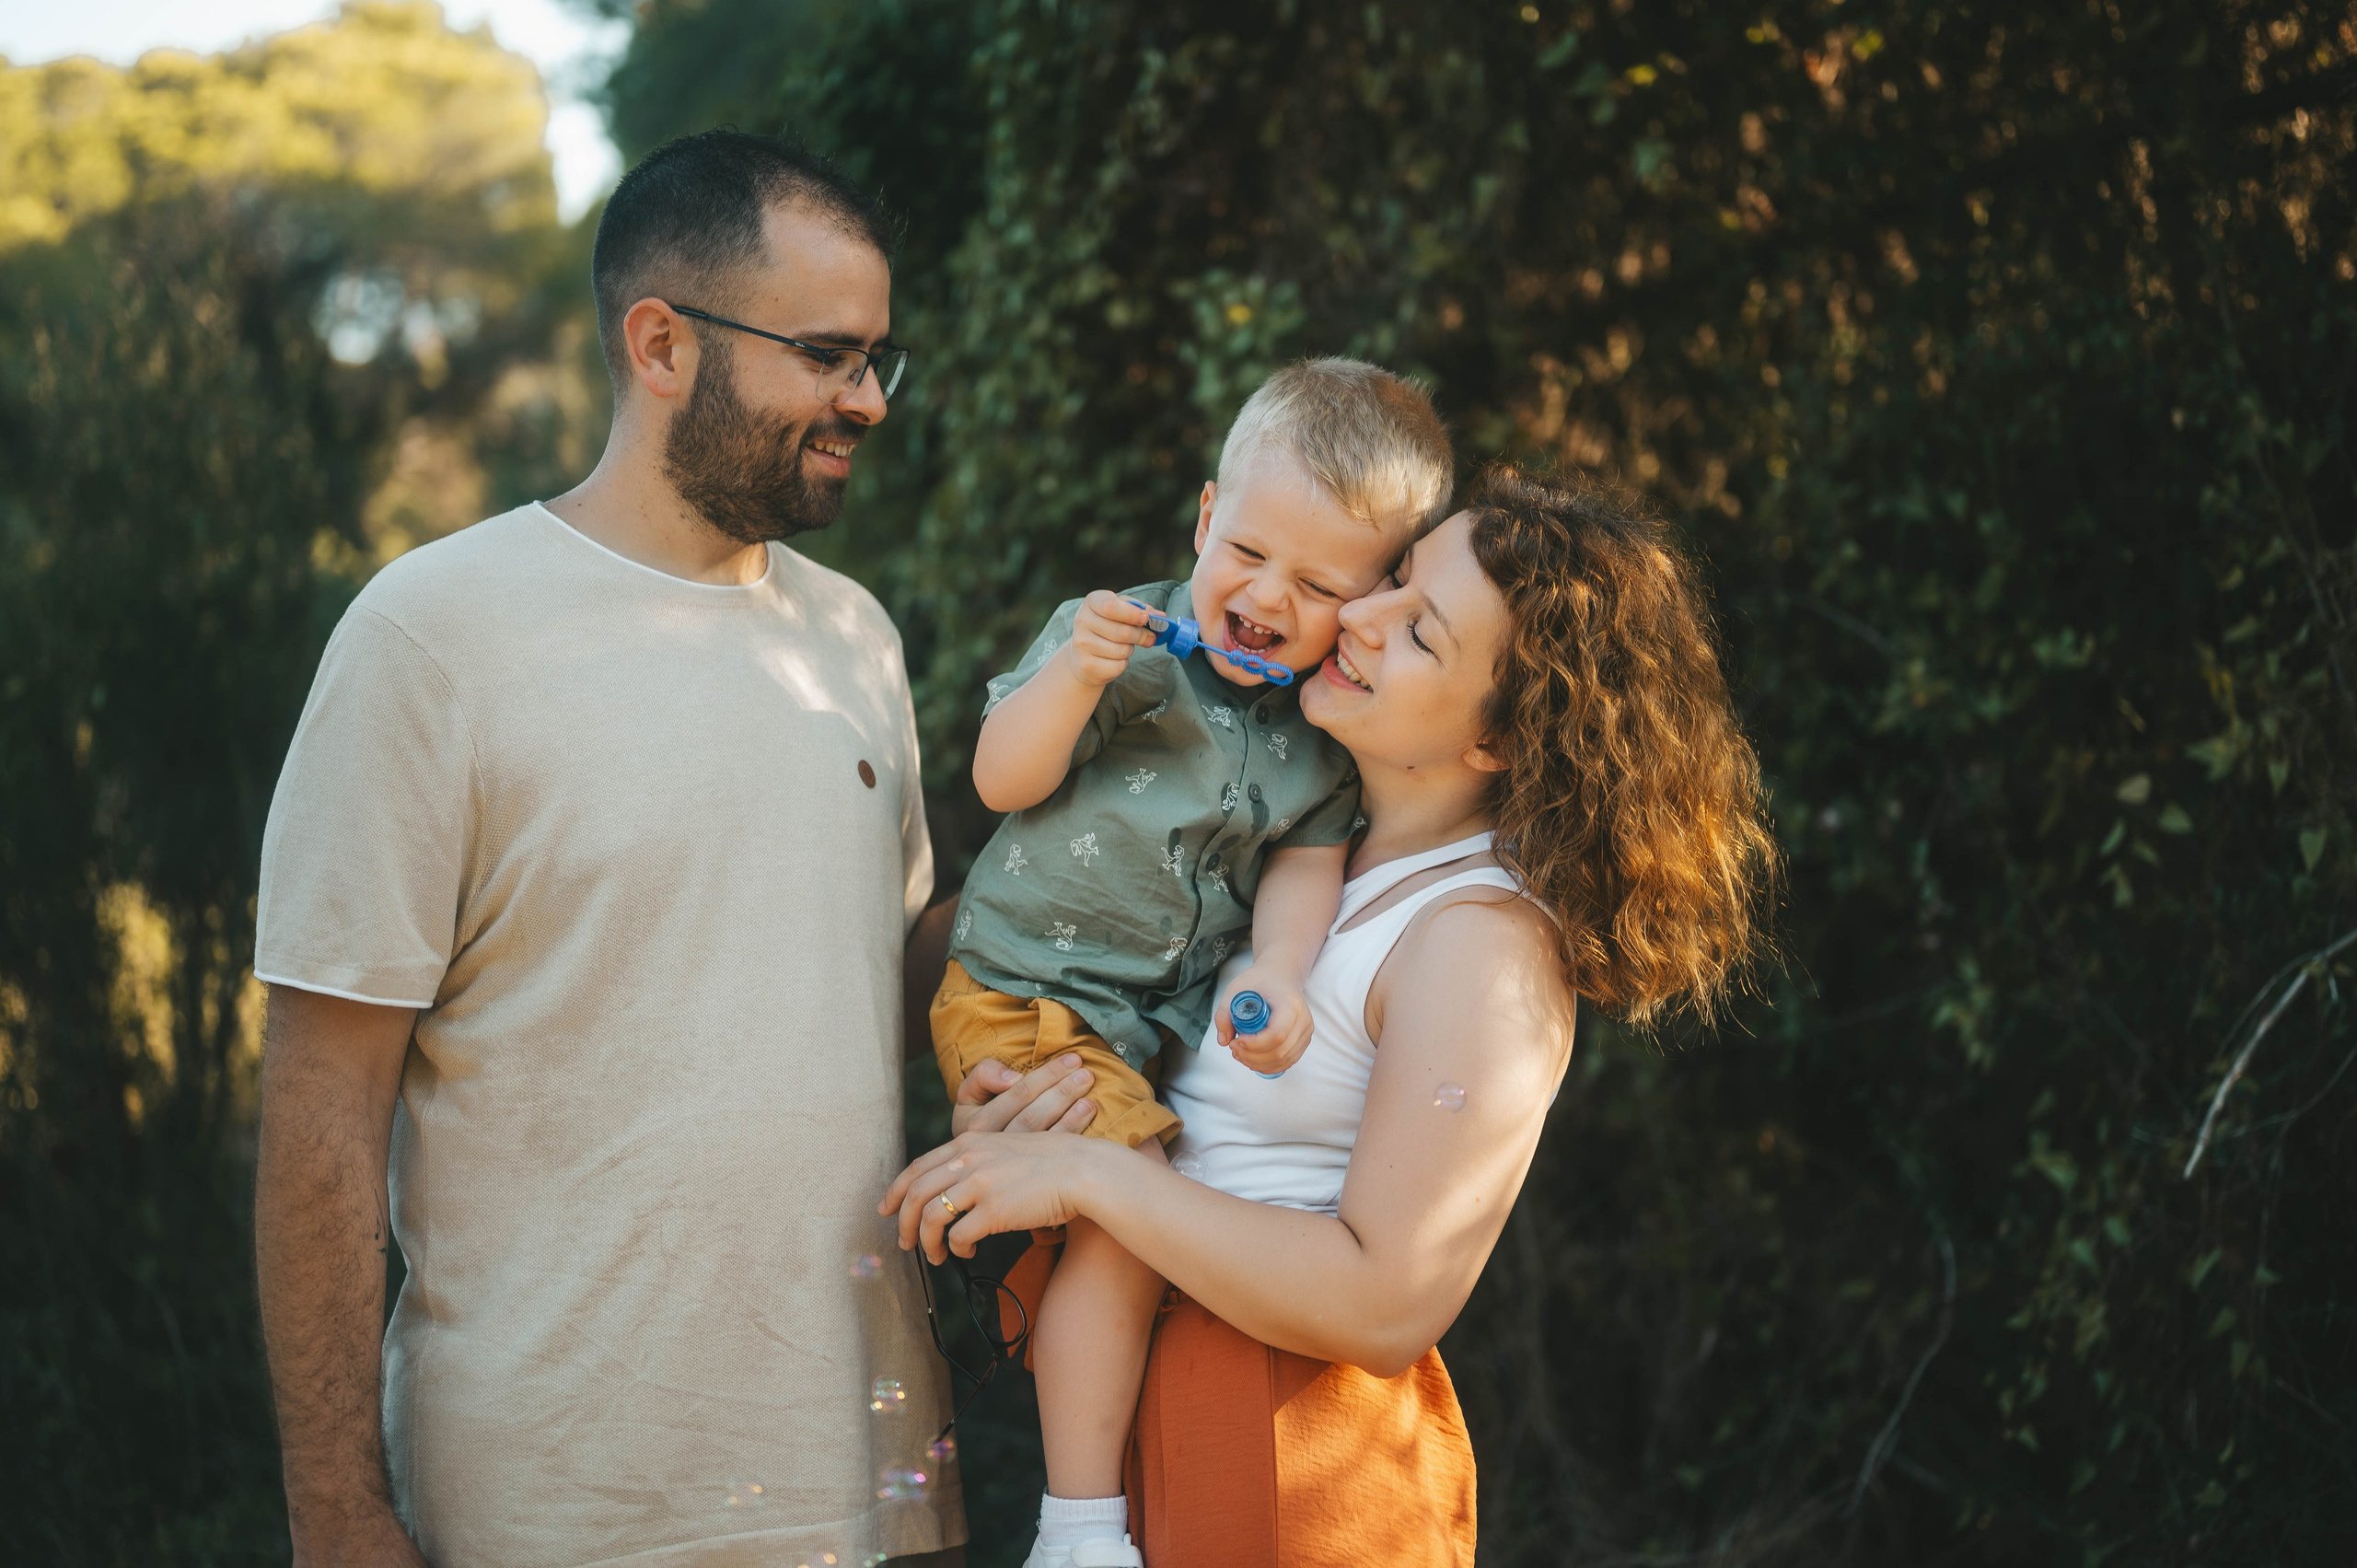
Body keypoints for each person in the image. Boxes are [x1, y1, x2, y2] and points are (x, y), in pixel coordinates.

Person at [251, 131, 971, 1566]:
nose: (869, 401)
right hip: (558, 1506)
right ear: (660, 343)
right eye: (830, 354)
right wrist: (335, 1508)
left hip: (875, 1490)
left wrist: (1092, 840)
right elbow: (322, 1111)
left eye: (881, 358)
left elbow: (869, 1006)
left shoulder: (854, 637)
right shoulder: (433, 637)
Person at [886, 466, 1779, 1566]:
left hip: (1295, 1456)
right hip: (1147, 1416)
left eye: (1419, 630)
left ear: (1498, 739)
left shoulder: (1481, 941)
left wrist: (1095, 1176)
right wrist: (1033, 1100)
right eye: (1396, 576)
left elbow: (1385, 1300)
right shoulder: (1294, 857)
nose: (1356, 614)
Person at [931, 359, 1453, 1567]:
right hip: (1023, 989)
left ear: (1368, 600)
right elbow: (1001, 780)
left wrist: (1274, 971)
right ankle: (1073, 1530)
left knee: (1111, 1225)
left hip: (1131, 1031)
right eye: (1250, 552)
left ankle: (1079, 1494)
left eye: (1319, 583)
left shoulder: (1316, 741)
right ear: (1207, 516)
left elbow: (1303, 874)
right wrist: (1074, 675)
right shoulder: (1121, 642)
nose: (1268, 595)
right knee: (1129, 1214)